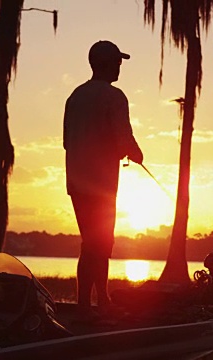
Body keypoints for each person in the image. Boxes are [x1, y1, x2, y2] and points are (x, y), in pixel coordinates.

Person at [63, 40, 143, 307]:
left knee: (92, 243)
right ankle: (92, 302)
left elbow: (67, 140)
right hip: (101, 184)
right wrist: (137, 154)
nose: (120, 68)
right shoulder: (114, 96)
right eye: (117, 63)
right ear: (106, 64)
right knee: (99, 244)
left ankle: (94, 300)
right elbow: (124, 137)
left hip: (76, 181)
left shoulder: (75, 96)